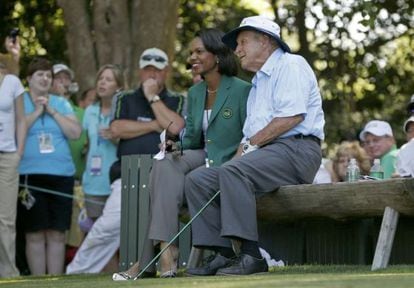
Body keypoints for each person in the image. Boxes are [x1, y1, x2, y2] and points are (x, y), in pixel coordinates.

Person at [184, 15, 324, 276]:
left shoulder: (291, 64)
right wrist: (236, 160)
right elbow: (248, 139)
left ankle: (251, 256)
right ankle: (223, 254)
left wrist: (240, 159)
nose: (236, 51)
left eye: (242, 42)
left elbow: (291, 117)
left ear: (265, 41)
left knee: (233, 170)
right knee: (199, 179)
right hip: (267, 155)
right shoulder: (257, 83)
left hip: (297, 150)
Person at [112, 28, 251, 280]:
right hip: (200, 156)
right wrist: (175, 145)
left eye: (199, 51)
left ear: (217, 56)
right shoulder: (196, 93)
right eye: (191, 53)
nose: (193, 57)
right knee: (165, 163)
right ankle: (168, 250)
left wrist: (235, 162)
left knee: (161, 180)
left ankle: (148, 260)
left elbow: (249, 134)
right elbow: (192, 137)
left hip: (228, 161)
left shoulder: (242, 89)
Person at [66, 47, 185, 274]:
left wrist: (153, 98)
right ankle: (75, 272)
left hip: (165, 174)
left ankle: (153, 267)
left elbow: (176, 128)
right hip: (127, 175)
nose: (152, 75)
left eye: (157, 71)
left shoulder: (177, 99)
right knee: (106, 227)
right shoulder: (125, 98)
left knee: (153, 226)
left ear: (166, 72)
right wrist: (156, 123)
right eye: (147, 70)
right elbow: (117, 128)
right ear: (140, 72)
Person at [18, 57, 81, 275]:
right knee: (34, 232)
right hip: (29, 174)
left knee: (57, 232)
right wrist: (36, 111)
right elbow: (14, 132)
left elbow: (75, 132)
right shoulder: (20, 101)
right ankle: (38, 280)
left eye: (48, 75)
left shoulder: (61, 103)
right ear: (28, 79)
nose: (45, 79)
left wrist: (52, 111)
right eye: (40, 75)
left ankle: (55, 279)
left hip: (62, 174)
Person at [81, 65, 124, 221]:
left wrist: (114, 137)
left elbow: (131, 147)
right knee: (93, 233)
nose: (102, 83)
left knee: (117, 233)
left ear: (119, 86)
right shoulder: (89, 111)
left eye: (108, 79)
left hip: (116, 182)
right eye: (100, 79)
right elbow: (88, 145)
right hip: (92, 182)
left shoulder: (124, 111)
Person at [0, 61, 27, 278]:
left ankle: (8, 272)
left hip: (7, 155)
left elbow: (21, 119)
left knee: (6, 218)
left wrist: (18, 152)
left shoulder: (11, 81)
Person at [51, 63, 86, 183]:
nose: (63, 82)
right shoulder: (44, 108)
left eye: (66, 78)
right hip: (52, 174)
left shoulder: (82, 112)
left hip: (77, 177)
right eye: (58, 78)